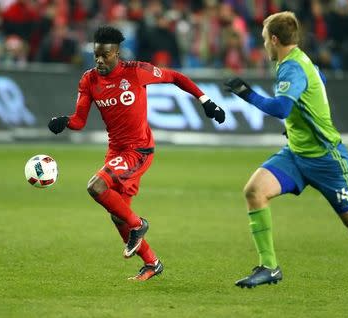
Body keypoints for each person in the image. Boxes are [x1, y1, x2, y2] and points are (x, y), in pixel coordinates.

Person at [224, 11, 348, 310]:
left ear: (274, 39)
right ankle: (269, 267)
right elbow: (315, 89)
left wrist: (245, 93)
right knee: (255, 190)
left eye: (265, 39)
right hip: (296, 154)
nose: (264, 44)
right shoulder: (300, 62)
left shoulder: (292, 68)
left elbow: (280, 107)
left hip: (327, 159)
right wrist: (300, 124)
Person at [48, 26, 225, 281]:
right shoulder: (89, 80)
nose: (99, 60)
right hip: (116, 151)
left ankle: (138, 224)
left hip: (139, 149)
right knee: (117, 215)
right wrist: (63, 121)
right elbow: (79, 121)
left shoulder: (136, 72)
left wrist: (206, 101)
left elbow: (175, 77)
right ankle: (152, 263)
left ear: (117, 53)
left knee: (96, 187)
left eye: (105, 55)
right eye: (96, 54)